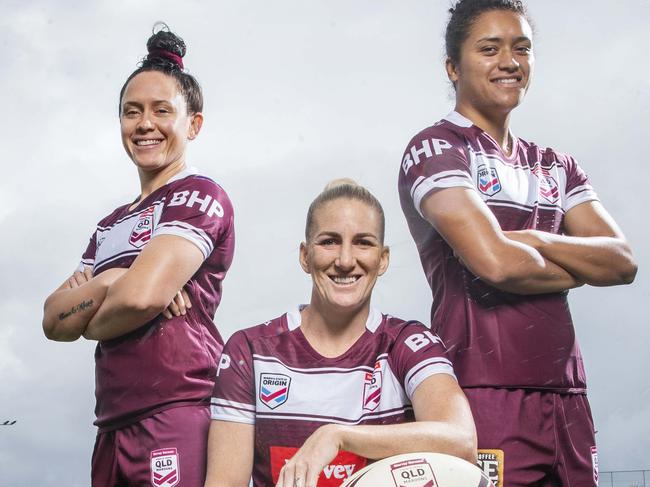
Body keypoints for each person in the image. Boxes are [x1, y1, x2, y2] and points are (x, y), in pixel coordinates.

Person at [397, 1, 637, 485]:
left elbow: (622, 262)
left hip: (568, 392)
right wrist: (577, 267)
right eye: (489, 49)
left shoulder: (557, 164)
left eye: (521, 48)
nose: (509, 61)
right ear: (453, 67)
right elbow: (497, 264)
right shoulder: (437, 147)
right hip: (483, 390)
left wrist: (530, 239)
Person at [42, 24, 235, 487]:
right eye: (132, 112)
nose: (144, 124)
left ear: (193, 123)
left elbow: (142, 298)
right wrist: (114, 283)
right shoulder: (110, 224)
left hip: (175, 409)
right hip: (109, 422)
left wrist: (106, 294)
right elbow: (52, 321)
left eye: (161, 110)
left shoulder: (198, 195)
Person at [204, 180, 477, 487]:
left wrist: (338, 436)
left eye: (363, 242)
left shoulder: (408, 344)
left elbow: (461, 441)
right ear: (305, 256)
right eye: (329, 241)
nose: (346, 261)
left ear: (383, 259)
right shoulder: (250, 351)